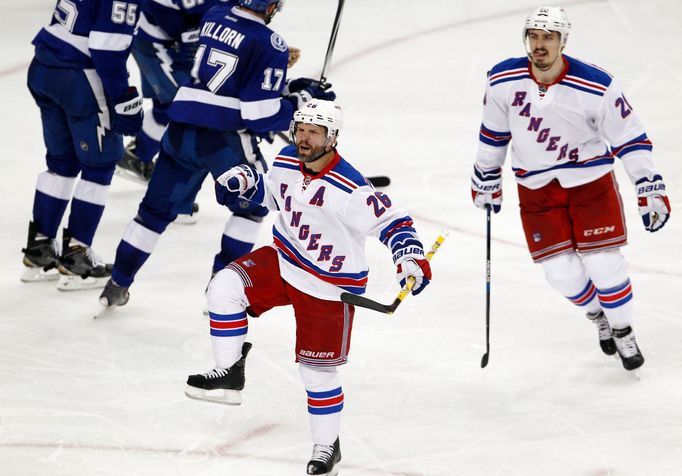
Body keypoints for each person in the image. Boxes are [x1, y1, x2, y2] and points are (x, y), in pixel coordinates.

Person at [184, 99, 433, 475]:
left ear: (331, 138)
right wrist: (246, 182)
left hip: (328, 285)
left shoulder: (349, 187)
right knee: (224, 286)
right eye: (300, 129)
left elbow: (393, 222)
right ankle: (229, 371)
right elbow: (270, 193)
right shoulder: (286, 159)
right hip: (285, 261)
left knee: (316, 372)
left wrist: (410, 257)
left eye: (313, 132)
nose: (303, 137)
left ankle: (325, 447)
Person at [470, 6, 671, 371]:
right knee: (560, 272)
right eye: (533, 36)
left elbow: (630, 138)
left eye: (548, 37)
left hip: (590, 184)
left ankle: (623, 329)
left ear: (563, 41)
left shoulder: (596, 85)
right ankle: (600, 317)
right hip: (535, 189)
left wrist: (648, 185)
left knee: (604, 263)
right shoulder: (502, 80)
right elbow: (493, 134)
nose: (539, 45)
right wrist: (487, 176)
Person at [98, 0, 334, 309]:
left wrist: (280, 78)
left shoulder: (215, 14)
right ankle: (220, 291)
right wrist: (301, 100)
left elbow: (232, 68)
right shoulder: (269, 43)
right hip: (224, 142)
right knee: (251, 210)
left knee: (153, 214)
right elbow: (258, 115)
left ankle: (117, 283)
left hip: (181, 130)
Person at [21, 0, 143, 290]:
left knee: (61, 164)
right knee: (100, 165)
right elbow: (107, 50)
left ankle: (40, 249)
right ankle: (77, 256)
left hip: (44, 67)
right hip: (79, 77)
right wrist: (123, 98)